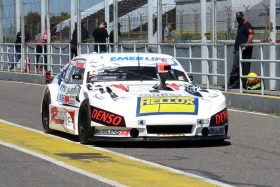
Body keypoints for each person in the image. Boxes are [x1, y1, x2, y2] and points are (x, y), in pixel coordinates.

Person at [222, 11, 254, 89]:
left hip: (243, 49)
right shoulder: (240, 26)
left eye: (239, 18)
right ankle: (233, 82)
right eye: (237, 18)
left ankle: (237, 83)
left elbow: (251, 35)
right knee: (236, 66)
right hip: (237, 49)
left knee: (238, 66)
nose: (238, 19)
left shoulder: (247, 25)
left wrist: (245, 46)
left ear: (243, 17)